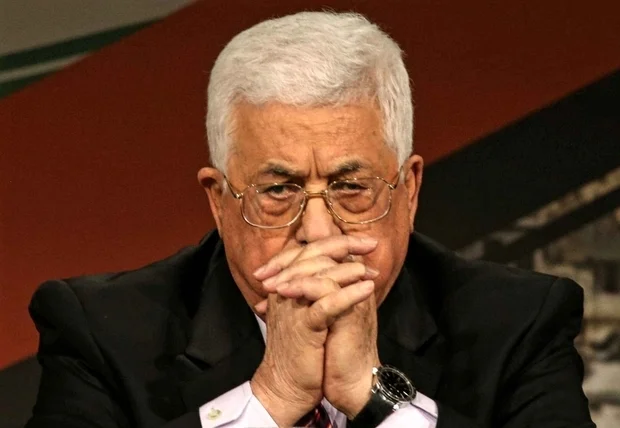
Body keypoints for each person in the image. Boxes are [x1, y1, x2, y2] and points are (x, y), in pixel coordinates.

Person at [26, 11, 594, 428]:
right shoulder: (102, 333)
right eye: (279, 190)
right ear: (219, 201)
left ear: (410, 190)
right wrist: (270, 398)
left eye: (351, 188)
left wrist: (376, 398)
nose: (318, 231)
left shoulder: (518, 323)